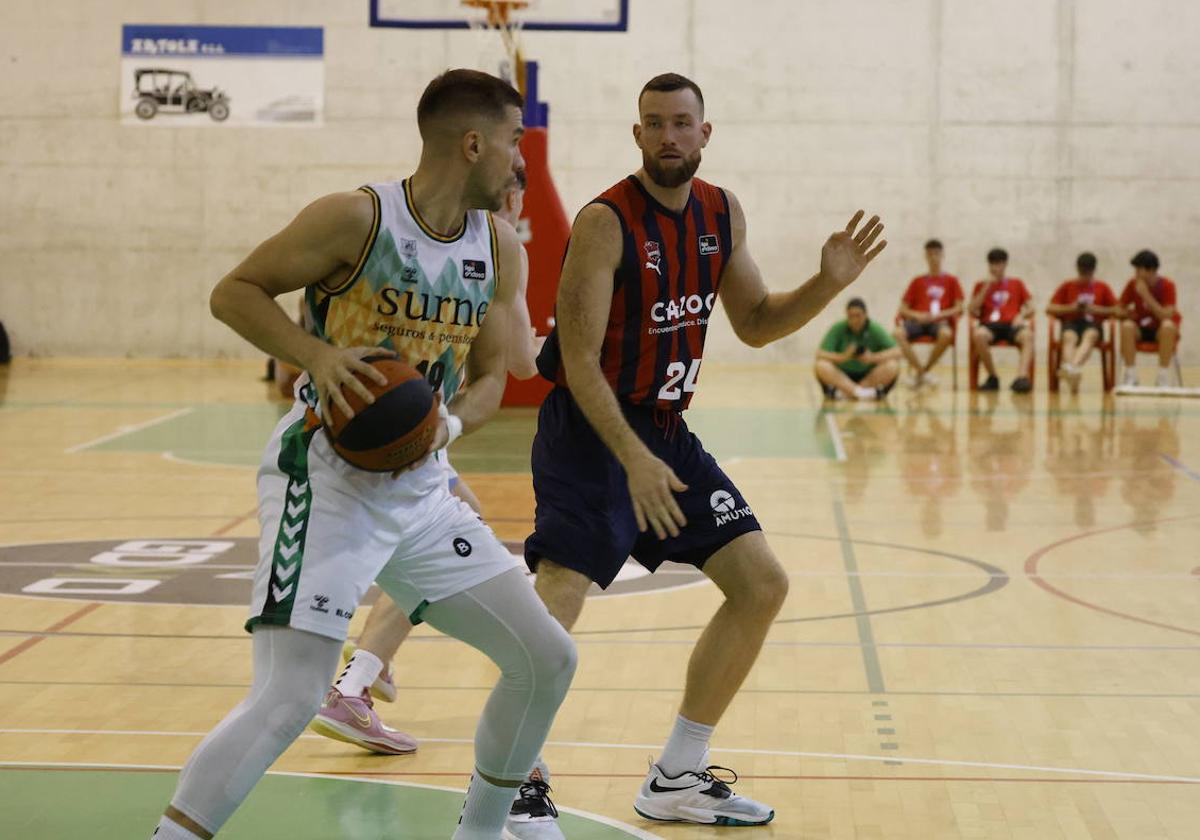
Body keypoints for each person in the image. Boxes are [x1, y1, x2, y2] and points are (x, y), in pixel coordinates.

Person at [150, 69, 577, 840]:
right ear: (472, 142)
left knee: (546, 659)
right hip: (324, 477)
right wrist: (313, 355)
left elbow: (492, 380)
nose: (522, 160)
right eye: (515, 141)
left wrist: (442, 432)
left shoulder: (500, 248)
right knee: (289, 696)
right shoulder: (357, 219)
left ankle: (479, 833)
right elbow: (235, 291)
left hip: (422, 484)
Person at [523, 72, 886, 830]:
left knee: (760, 585)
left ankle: (677, 777)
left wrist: (825, 282)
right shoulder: (604, 222)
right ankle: (510, 781)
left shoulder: (720, 212)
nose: (668, 137)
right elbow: (580, 362)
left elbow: (754, 321)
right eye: (653, 123)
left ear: (704, 132)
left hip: (664, 433)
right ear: (637, 135)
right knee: (560, 590)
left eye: (682, 123)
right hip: (591, 433)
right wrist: (630, 455)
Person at [308, 172, 544, 758]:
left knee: (461, 516)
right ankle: (357, 680)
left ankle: (366, 670)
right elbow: (521, 365)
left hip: (401, 430)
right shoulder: (496, 247)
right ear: (510, 195)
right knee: (433, 548)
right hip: (387, 438)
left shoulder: (397, 227)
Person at [1046, 252, 1119, 394]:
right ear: (1077, 269)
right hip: (1072, 322)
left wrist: (1094, 309)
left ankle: (1071, 367)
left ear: (1093, 270)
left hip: (1092, 324)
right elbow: (1050, 308)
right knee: (1068, 337)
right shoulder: (1067, 286)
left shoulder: (1102, 287)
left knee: (1090, 335)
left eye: (1088, 272)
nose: (1085, 275)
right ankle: (1073, 370)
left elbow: (1117, 310)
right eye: (1082, 272)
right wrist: (1071, 307)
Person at [893, 239, 963, 387]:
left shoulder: (952, 281)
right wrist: (918, 315)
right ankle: (923, 373)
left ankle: (923, 371)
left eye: (936, 254)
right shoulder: (917, 281)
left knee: (946, 334)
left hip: (939, 322)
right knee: (897, 333)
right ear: (925, 256)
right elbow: (902, 309)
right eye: (930, 254)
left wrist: (940, 315)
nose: (933, 257)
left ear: (942, 255)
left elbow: (959, 308)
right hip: (917, 322)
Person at [969, 248, 1034, 393]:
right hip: (990, 325)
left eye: (999, 263)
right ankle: (993, 377)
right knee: (978, 335)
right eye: (992, 264)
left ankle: (1021, 378)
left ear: (1005, 264)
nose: (995, 267)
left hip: (1012, 325)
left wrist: (1021, 315)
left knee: (1028, 335)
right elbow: (972, 309)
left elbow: (1031, 308)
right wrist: (987, 287)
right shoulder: (981, 285)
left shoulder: (1016, 283)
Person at [815, 297, 901, 400]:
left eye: (858, 316)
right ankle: (862, 393)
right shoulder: (838, 327)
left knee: (892, 365)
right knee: (821, 365)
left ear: (865, 315)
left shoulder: (874, 328)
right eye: (851, 316)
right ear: (847, 315)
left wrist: (872, 358)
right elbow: (820, 353)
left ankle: (848, 393)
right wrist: (843, 357)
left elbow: (898, 352)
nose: (855, 320)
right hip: (843, 375)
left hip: (868, 375)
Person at [1118, 249, 1180, 386]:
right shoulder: (1132, 284)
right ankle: (1131, 375)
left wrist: (1146, 295)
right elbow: (1119, 308)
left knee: (1168, 326)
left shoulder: (1168, 285)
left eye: (1138, 270)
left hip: (1159, 331)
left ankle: (1162, 377)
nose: (1135, 274)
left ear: (1151, 270)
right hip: (1140, 329)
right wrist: (1125, 312)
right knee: (1127, 326)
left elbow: (1166, 315)